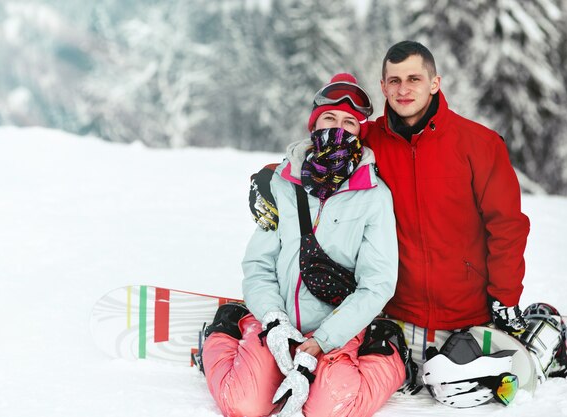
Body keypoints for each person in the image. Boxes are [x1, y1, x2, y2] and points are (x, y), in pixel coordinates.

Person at [249, 41, 531, 370]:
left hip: (467, 314)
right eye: (394, 81)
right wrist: (269, 178)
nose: (403, 89)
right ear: (383, 86)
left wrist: (505, 297)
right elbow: (321, 141)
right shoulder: (369, 140)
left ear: (435, 83)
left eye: (414, 79)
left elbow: (508, 227)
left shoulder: (480, 145)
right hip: (396, 317)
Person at [199, 73, 413, 417]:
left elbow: (378, 283)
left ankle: (385, 350)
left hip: (335, 332)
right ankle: (225, 329)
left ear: (360, 131)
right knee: (243, 406)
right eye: (329, 118)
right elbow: (259, 266)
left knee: (330, 411)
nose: (338, 129)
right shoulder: (282, 184)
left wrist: (322, 341)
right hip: (279, 322)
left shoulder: (374, 197)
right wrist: (273, 322)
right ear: (314, 125)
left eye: (349, 122)